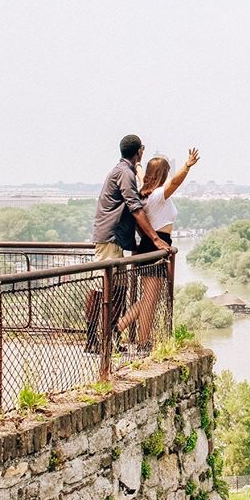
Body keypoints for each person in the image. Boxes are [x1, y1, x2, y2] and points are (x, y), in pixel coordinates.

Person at [86, 134, 170, 352]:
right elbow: (135, 208)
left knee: (119, 289)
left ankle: (108, 337)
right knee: (102, 288)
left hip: (117, 238)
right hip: (110, 236)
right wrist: (155, 239)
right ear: (139, 151)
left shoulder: (126, 171)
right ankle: (93, 339)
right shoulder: (124, 173)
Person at [116, 147, 200, 347]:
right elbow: (175, 182)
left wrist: (138, 166)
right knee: (150, 300)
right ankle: (139, 340)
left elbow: (144, 175)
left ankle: (121, 329)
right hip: (157, 245)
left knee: (148, 299)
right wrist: (187, 166)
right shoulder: (159, 195)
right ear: (162, 175)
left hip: (148, 246)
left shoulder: (145, 195)